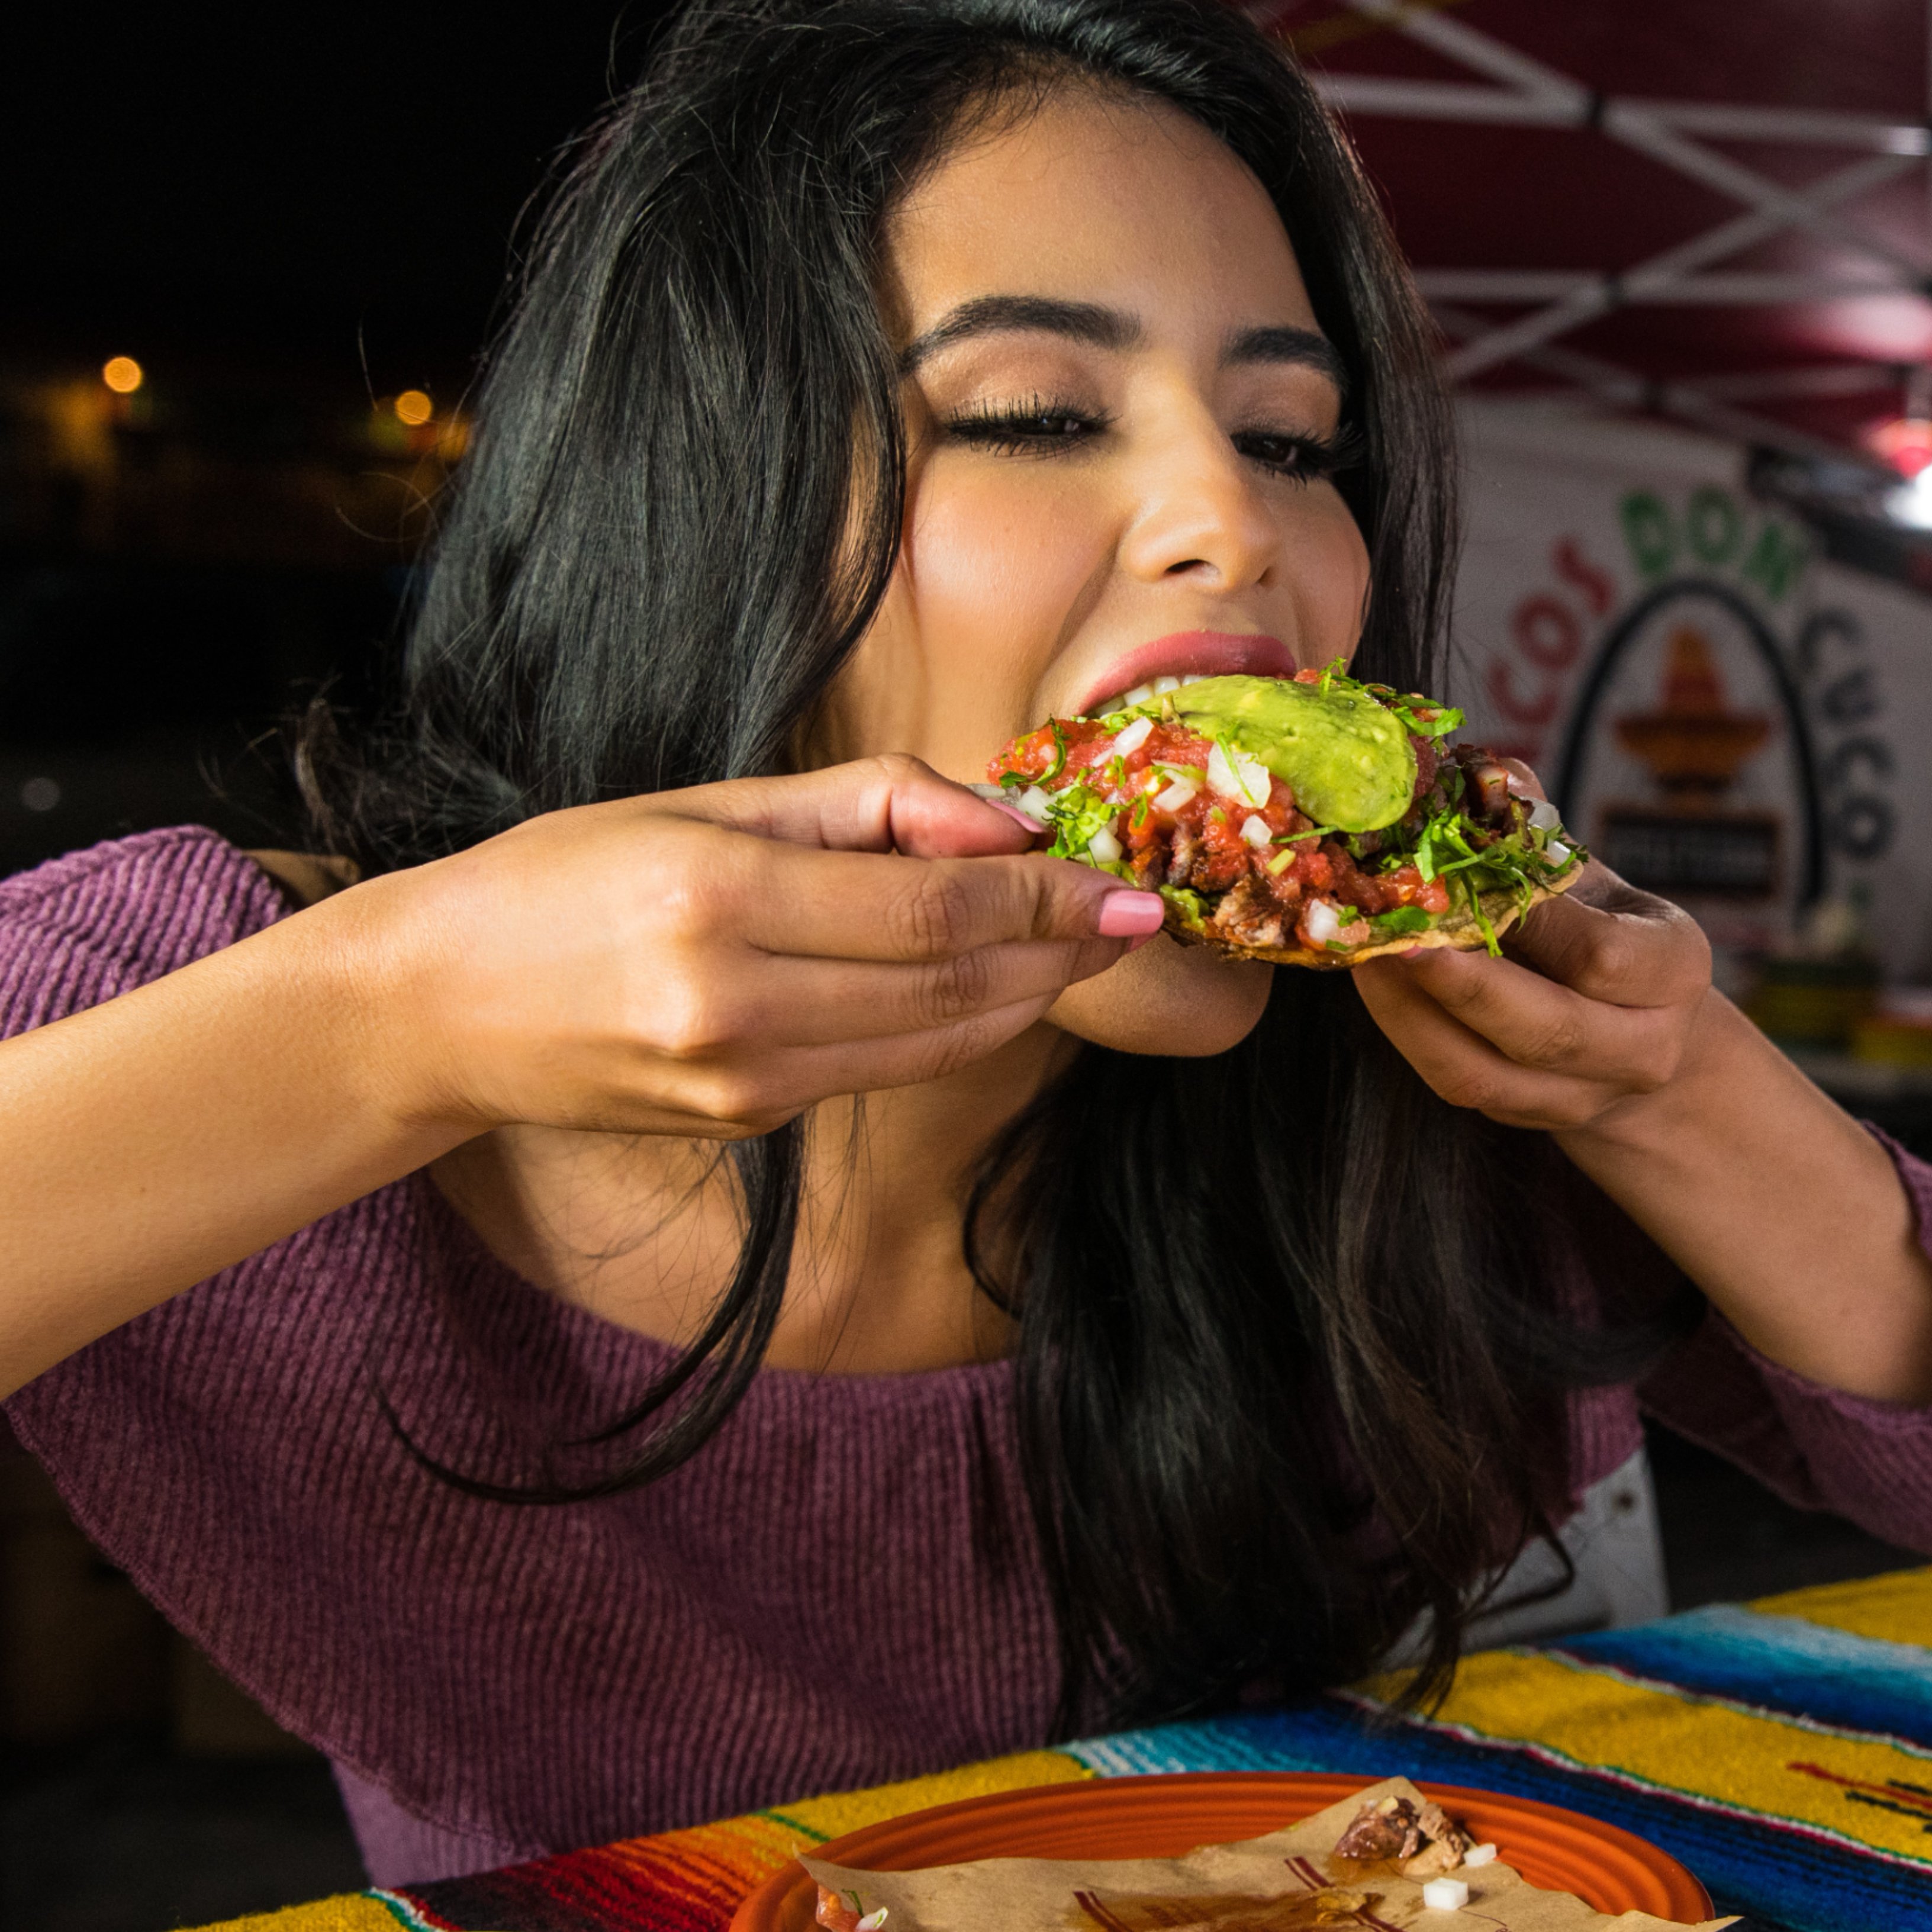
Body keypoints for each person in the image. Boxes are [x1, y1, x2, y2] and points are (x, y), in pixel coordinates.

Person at [4, 0, 1930, 1889]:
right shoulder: (216, 991)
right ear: (702, 500)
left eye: (1289, 438)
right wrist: (385, 1034)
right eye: (1029, 412)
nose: (1230, 527)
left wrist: (1685, 1090)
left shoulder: (1426, 1084)